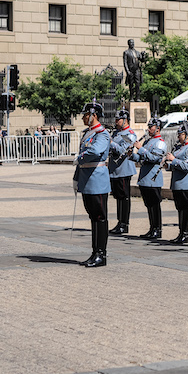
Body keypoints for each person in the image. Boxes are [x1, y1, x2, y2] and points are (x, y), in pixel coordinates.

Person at [75, 103, 111, 267]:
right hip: (87, 180)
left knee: (100, 217)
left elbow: (95, 152)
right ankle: (94, 252)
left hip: (97, 181)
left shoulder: (102, 134)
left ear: (93, 115)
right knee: (93, 217)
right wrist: (76, 179)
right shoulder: (88, 134)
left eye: (85, 115)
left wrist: (81, 157)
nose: (82, 117)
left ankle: (101, 254)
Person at [132, 117, 167, 239]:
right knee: (149, 205)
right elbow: (142, 159)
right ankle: (152, 228)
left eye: (151, 127)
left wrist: (140, 148)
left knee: (155, 205)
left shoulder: (160, 142)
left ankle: (157, 229)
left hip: (153, 178)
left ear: (157, 128)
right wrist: (131, 155)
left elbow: (154, 159)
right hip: (145, 178)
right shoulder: (148, 141)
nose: (148, 129)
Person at [164, 123, 188, 244]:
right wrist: (168, 164)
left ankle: (185, 233)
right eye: (178, 134)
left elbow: (187, 166)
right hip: (177, 183)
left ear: (187, 135)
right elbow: (175, 165)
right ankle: (181, 232)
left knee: (185, 209)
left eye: (181, 134)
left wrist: (174, 160)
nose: (179, 136)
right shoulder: (178, 148)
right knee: (179, 209)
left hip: (185, 183)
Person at [107, 110, 137, 235]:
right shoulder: (116, 133)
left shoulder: (129, 134)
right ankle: (120, 222)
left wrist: (111, 142)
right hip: (115, 169)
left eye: (118, 120)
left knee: (124, 198)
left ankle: (124, 223)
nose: (116, 122)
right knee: (118, 197)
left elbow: (123, 150)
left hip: (124, 169)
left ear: (125, 120)